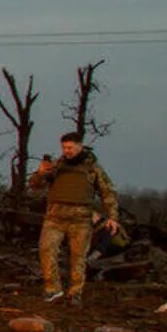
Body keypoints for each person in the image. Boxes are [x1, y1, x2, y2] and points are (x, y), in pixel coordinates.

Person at [27, 129, 120, 304]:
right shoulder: (57, 167)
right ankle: (53, 289)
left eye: (70, 147)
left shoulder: (93, 169)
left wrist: (113, 216)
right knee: (46, 249)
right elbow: (35, 185)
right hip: (54, 217)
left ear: (80, 146)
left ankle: (75, 293)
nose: (67, 151)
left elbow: (107, 192)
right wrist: (40, 173)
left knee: (78, 257)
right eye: (64, 147)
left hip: (80, 219)